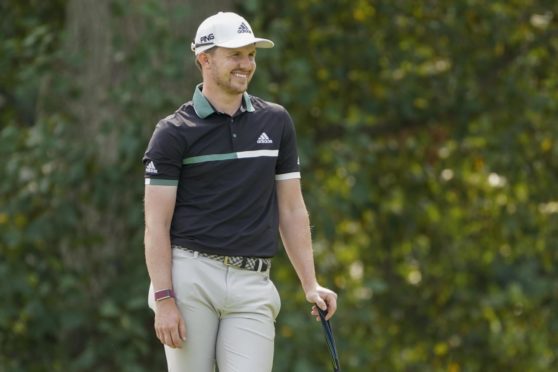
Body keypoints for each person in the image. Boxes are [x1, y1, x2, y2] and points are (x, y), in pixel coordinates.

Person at [143, 11, 338, 372]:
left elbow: (292, 210)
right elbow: (156, 224)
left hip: (253, 282)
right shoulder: (173, 132)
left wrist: (310, 284)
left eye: (250, 55)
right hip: (191, 278)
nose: (246, 64)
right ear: (204, 58)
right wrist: (164, 298)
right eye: (235, 55)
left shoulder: (275, 121)